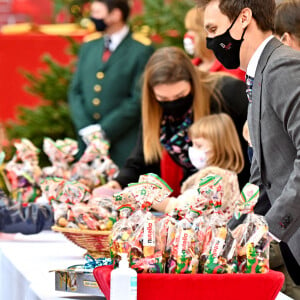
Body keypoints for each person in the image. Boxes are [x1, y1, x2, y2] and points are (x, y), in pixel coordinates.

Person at [198, 0, 300, 297]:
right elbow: (262, 175)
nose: (211, 41)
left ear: (244, 19)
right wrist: (227, 232)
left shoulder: (283, 66)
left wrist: (268, 229)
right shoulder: (260, 72)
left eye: (214, 29)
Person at [101, 46, 249, 192]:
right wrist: (119, 183)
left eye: (180, 96)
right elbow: (144, 158)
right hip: (195, 195)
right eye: (163, 98)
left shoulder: (227, 94)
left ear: (193, 82)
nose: (172, 103)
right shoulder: (155, 109)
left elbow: (254, 153)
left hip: (239, 191)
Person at [68, 0, 154, 168]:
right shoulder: (89, 45)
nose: (93, 17)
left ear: (115, 14)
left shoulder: (141, 49)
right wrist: (86, 129)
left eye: (97, 12)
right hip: (86, 145)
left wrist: (104, 130)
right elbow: (75, 91)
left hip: (123, 144)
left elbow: (138, 98)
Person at [152, 113, 244, 213]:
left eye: (199, 146)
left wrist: (150, 197)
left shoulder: (215, 180)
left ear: (220, 149)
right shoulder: (223, 175)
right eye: (192, 144)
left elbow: (184, 208)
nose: (192, 149)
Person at [183, 7, 245, 79]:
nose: (188, 35)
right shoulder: (189, 68)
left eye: (192, 30)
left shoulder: (233, 67)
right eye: (188, 30)